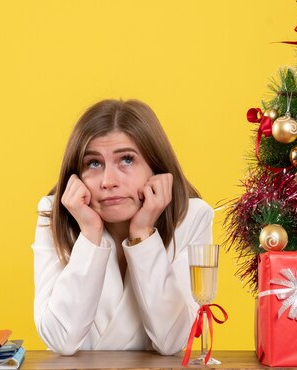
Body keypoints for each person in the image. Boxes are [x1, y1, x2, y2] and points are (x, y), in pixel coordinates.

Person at [32, 99, 213, 356]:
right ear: (77, 175)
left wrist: (142, 235)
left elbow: (173, 341)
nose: (108, 181)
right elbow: (61, 339)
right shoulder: (55, 213)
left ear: (156, 166)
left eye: (126, 160)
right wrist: (90, 235)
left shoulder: (192, 217)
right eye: (93, 163)